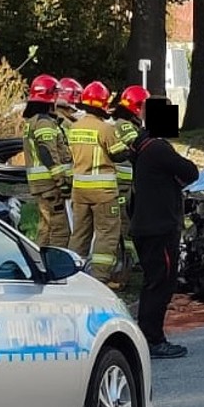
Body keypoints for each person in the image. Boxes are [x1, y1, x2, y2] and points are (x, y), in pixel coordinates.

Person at [129, 124, 200, 359]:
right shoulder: (158, 148)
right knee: (161, 283)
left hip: (146, 226)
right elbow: (190, 172)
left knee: (153, 282)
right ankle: (153, 339)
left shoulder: (141, 148)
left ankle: (148, 336)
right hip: (159, 228)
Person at [67, 81, 132, 286]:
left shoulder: (74, 128)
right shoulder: (105, 129)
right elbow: (119, 154)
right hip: (103, 192)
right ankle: (100, 279)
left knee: (79, 235)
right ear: (104, 104)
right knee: (106, 234)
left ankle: (72, 274)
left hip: (79, 191)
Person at [21, 74, 72, 249]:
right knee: (60, 230)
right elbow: (47, 152)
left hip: (41, 185)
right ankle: (57, 267)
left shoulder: (33, 121)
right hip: (50, 185)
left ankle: (38, 262)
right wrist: (61, 180)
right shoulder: (44, 123)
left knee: (46, 227)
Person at [109, 85, 149, 283]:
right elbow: (138, 146)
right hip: (121, 184)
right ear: (135, 107)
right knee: (124, 224)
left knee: (128, 223)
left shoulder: (127, 123)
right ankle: (128, 261)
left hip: (127, 183)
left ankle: (131, 260)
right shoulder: (124, 125)